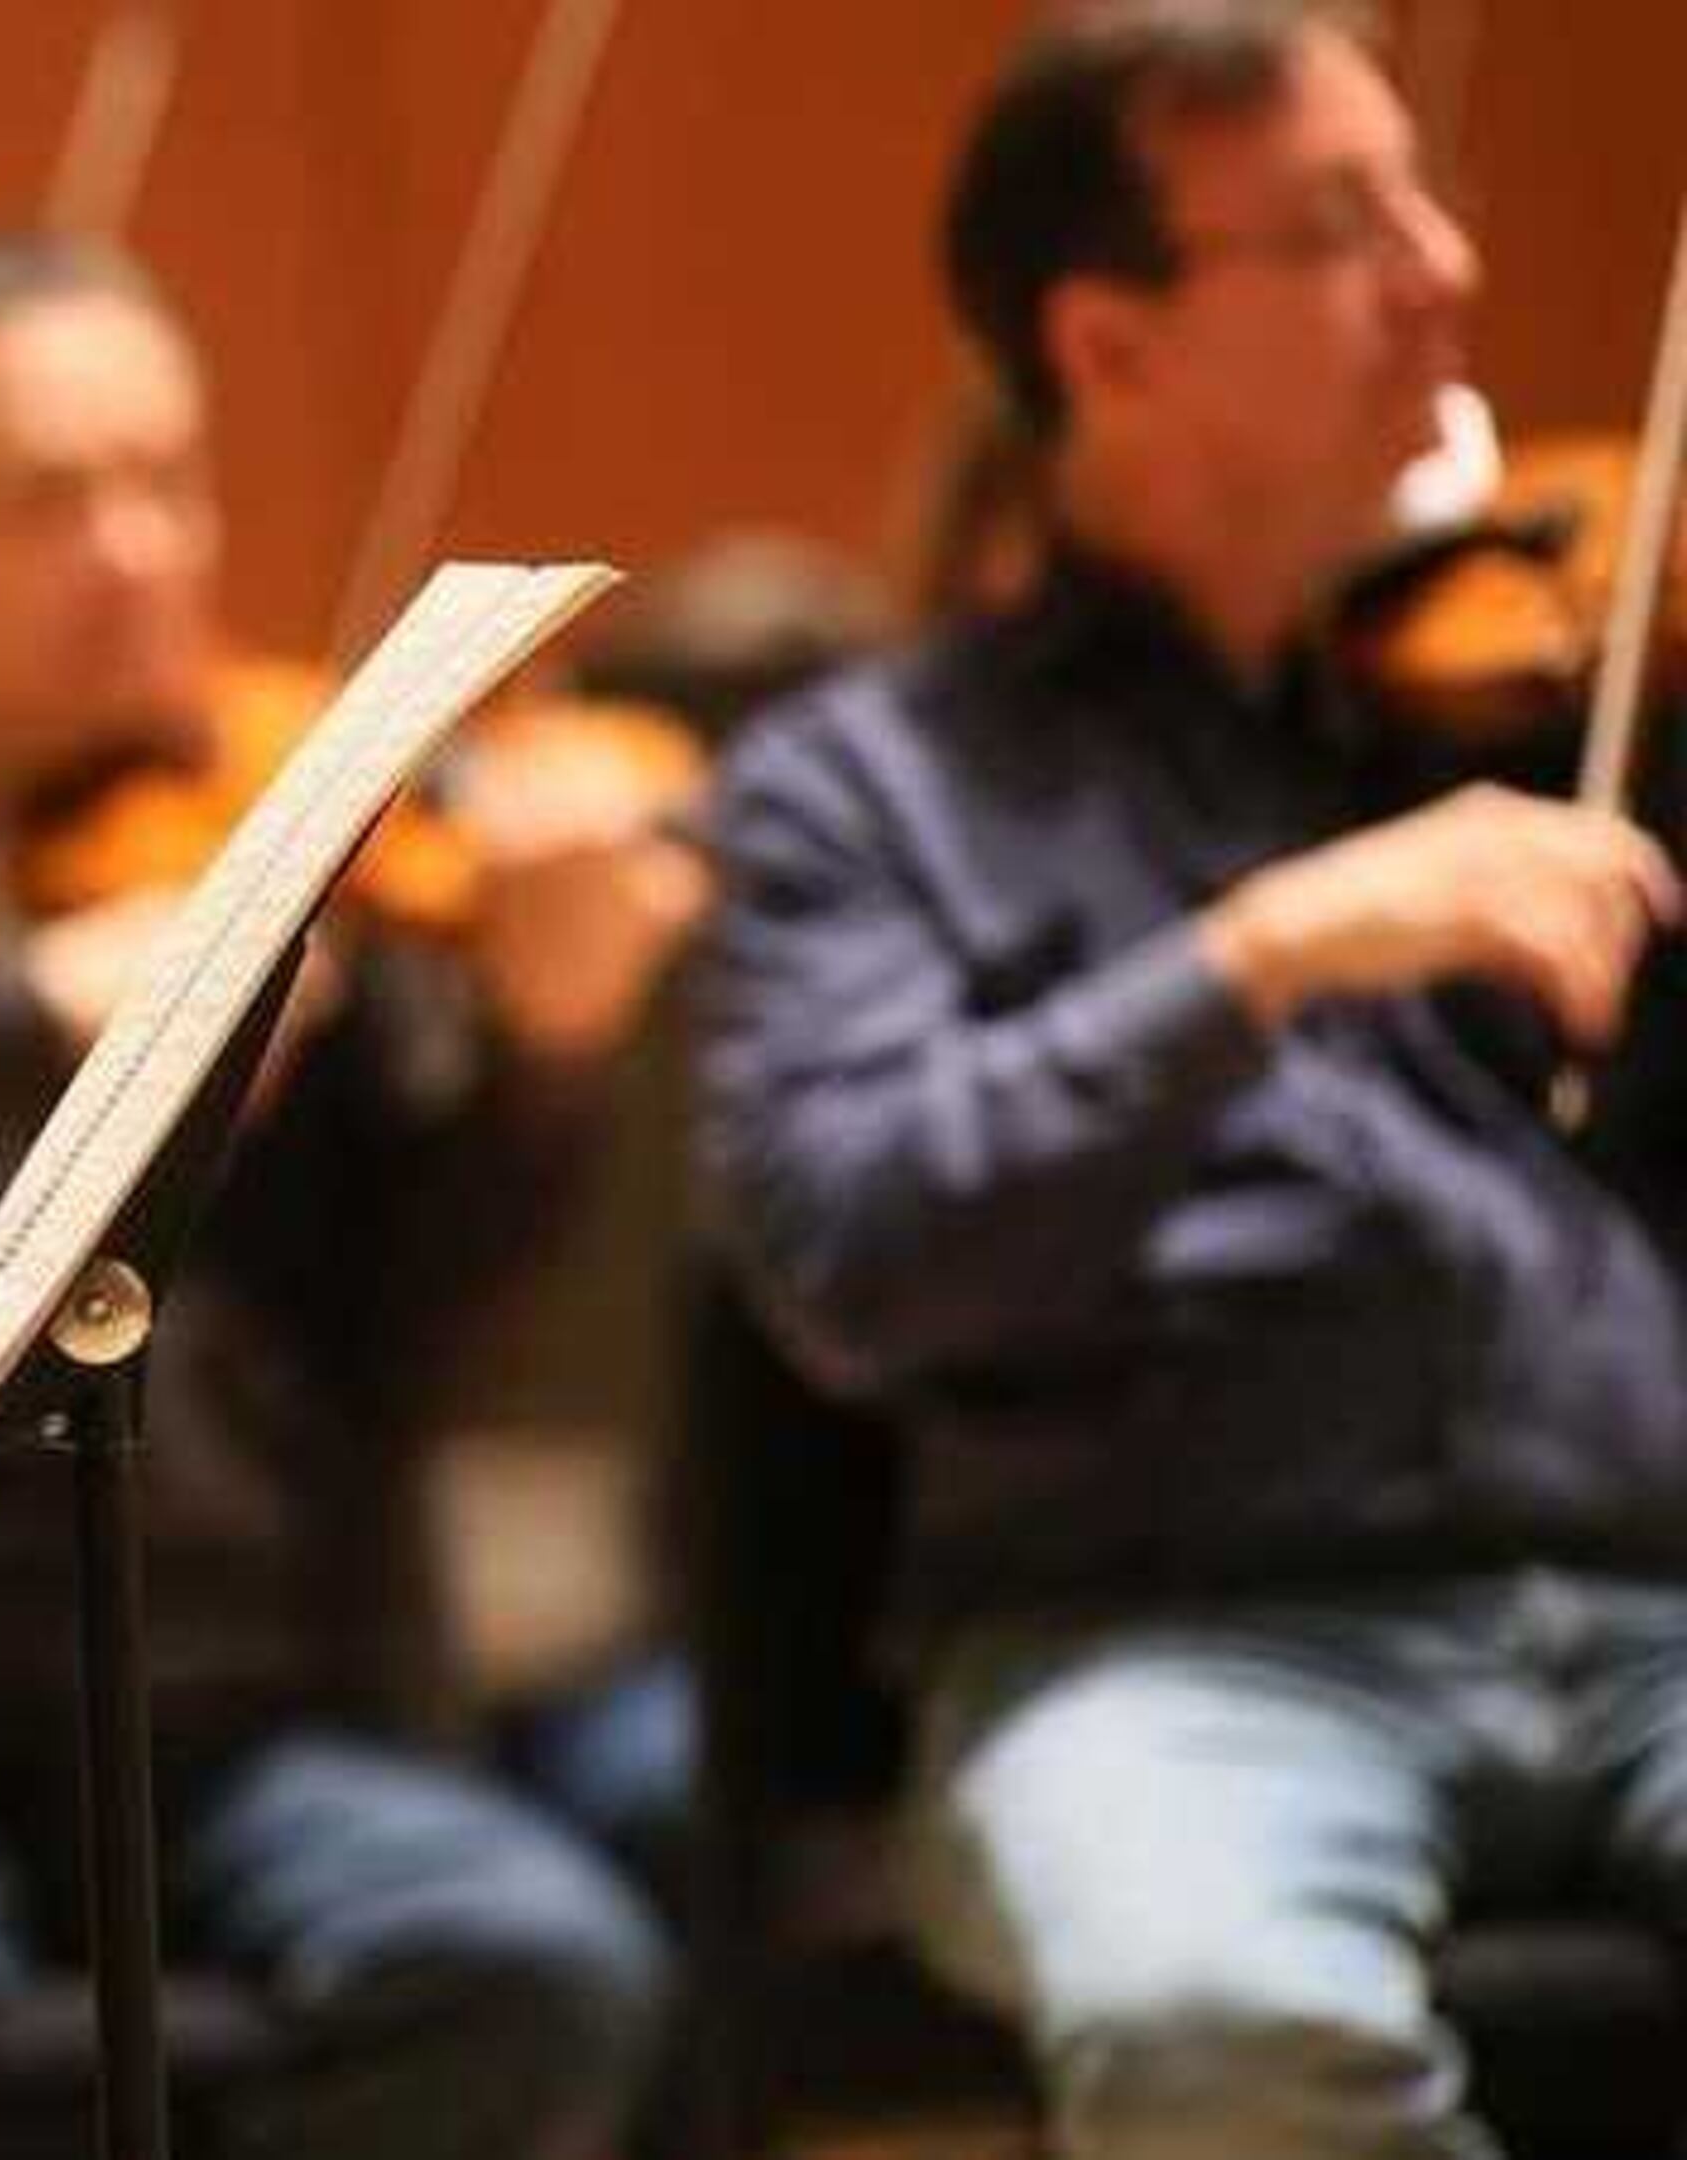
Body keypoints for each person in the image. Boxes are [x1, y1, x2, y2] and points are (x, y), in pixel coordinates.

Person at [0, 229, 687, 2160]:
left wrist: (550, 1063)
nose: (145, 552)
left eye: (172, 482)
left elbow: (437, 1317)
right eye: (52, 500)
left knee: (536, 1961)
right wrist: (6, 1012)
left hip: (259, 1736)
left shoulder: (300, 870)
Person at [694, 7, 1687, 2155]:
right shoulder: (860, 791)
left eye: (1426, 195)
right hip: (1166, 1645)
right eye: (1342, 227)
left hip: (1642, 1603)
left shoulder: (1493, 696)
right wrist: (1263, 951)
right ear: (1111, 345)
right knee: (1218, 2026)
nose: (1446, 272)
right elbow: (854, 1241)